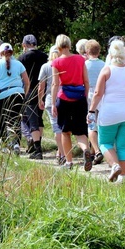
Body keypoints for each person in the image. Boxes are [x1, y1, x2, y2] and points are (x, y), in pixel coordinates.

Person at [90, 39, 125, 183]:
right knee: (123, 146)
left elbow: (98, 93)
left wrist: (91, 110)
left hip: (109, 113)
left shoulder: (107, 70)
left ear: (110, 54)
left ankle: (114, 165)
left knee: (104, 142)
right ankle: (122, 179)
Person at [51, 34, 93, 170]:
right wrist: (85, 97)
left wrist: (52, 103)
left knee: (65, 131)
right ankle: (86, 149)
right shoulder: (80, 59)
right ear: (69, 44)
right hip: (79, 98)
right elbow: (86, 80)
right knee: (80, 131)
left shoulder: (56, 62)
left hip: (64, 98)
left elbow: (55, 84)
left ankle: (69, 162)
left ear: (58, 46)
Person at [18, 35, 48, 159]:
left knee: (32, 120)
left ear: (25, 45)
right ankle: (38, 144)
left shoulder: (22, 58)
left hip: (29, 90)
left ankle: (37, 149)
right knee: (39, 118)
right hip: (43, 90)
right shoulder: (44, 56)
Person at [39, 46, 66, 164]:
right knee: (63, 127)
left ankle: (62, 153)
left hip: (51, 99)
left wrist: (40, 98)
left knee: (56, 128)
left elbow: (41, 86)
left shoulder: (45, 66)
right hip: (64, 97)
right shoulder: (63, 64)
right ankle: (61, 152)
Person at [85, 39, 106, 165]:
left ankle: (96, 151)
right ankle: (94, 151)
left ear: (87, 51)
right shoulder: (104, 64)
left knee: (91, 124)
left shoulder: (84, 64)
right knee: (101, 123)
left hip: (89, 95)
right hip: (102, 95)